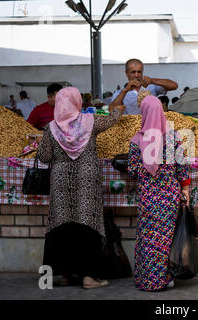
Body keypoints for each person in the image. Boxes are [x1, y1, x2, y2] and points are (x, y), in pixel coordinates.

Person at [37, 87, 125, 290]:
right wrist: (118, 110)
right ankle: (88, 277)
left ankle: (66, 274)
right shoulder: (89, 121)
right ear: (76, 102)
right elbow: (111, 120)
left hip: (60, 180)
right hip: (87, 177)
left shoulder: (51, 128)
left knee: (62, 223)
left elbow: (44, 157)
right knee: (87, 222)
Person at [127, 95, 190, 291]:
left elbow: (133, 170)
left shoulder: (138, 140)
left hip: (148, 196)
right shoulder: (173, 137)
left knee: (148, 238)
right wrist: (185, 189)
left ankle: (146, 280)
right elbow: (182, 169)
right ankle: (166, 278)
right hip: (169, 194)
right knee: (166, 238)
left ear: (144, 113)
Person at [109, 58, 178, 115]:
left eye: (139, 72)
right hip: (131, 128)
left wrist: (152, 80)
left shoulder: (151, 87)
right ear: (126, 73)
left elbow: (174, 86)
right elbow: (111, 110)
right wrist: (125, 90)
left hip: (150, 126)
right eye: (133, 72)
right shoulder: (120, 92)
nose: (136, 75)